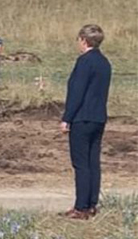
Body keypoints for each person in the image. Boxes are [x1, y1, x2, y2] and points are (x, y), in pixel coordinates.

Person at [60, 24, 111, 220]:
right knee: (93, 162)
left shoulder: (84, 62)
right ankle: (91, 204)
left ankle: (81, 207)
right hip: (99, 117)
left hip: (82, 117)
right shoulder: (105, 62)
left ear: (84, 40)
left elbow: (77, 92)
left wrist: (67, 118)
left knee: (81, 164)